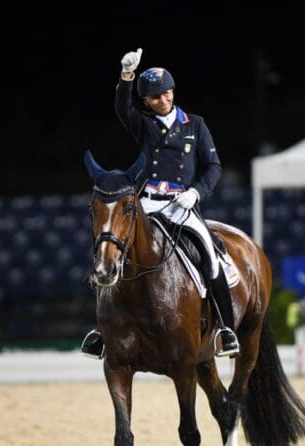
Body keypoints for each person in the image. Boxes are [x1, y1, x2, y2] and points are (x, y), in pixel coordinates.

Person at [82, 48, 240, 359]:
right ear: (147, 101)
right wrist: (126, 77)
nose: (163, 100)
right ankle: (103, 332)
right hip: (146, 204)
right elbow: (121, 107)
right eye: (155, 97)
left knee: (209, 254)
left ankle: (225, 328)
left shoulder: (195, 124)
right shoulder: (143, 123)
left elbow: (214, 167)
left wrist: (196, 192)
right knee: (112, 254)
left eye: (166, 93)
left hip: (182, 204)